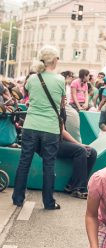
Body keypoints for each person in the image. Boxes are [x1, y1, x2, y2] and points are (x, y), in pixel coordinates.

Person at [12, 45, 65, 210]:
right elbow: (62, 104)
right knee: (49, 165)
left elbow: (28, 96)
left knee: (24, 162)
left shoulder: (33, 79)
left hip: (31, 126)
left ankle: (18, 198)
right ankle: (48, 202)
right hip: (50, 128)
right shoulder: (60, 80)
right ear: (53, 60)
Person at [58, 112, 97, 199]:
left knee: (92, 152)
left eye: (65, 97)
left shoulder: (62, 109)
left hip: (62, 141)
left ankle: (72, 185)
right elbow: (62, 131)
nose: (64, 99)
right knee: (80, 150)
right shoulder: (54, 108)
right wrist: (79, 144)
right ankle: (78, 189)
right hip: (53, 142)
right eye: (63, 97)